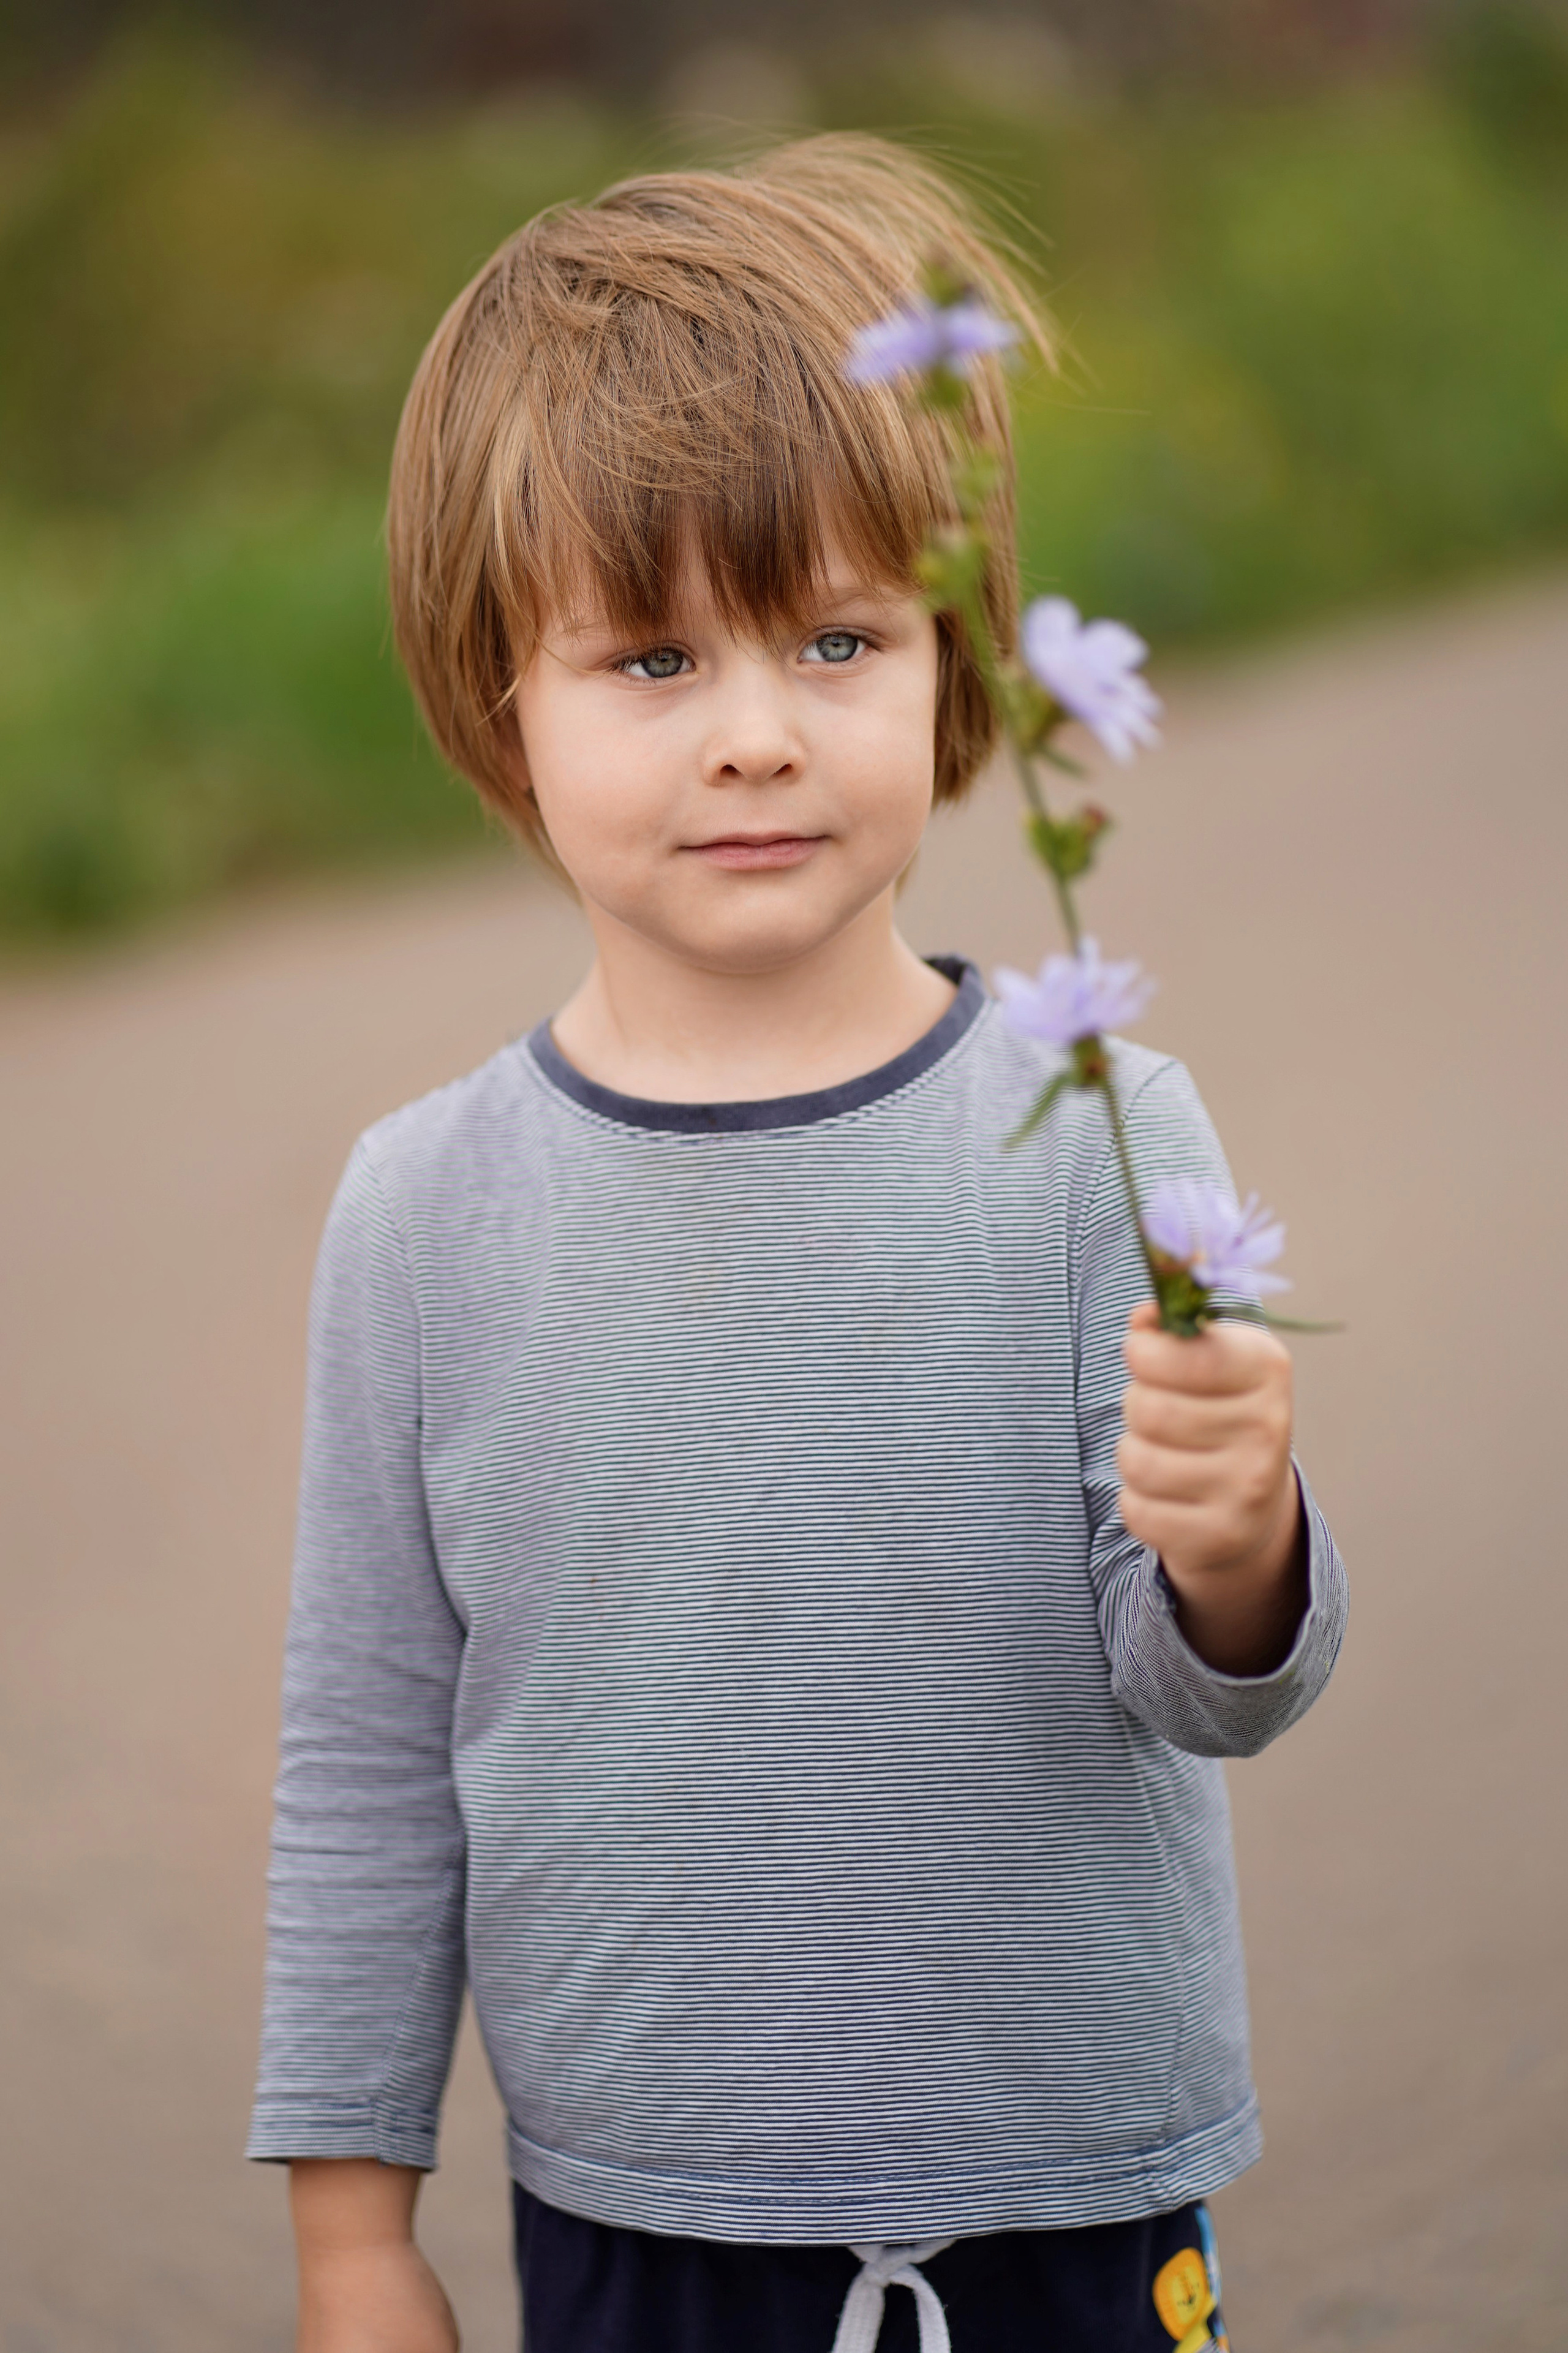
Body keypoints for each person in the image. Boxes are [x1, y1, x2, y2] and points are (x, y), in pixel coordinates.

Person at [247, 135, 1348, 2353]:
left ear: (954, 664)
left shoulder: (1092, 1123)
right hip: (637, 2220)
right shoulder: (425, 1213)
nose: (756, 732)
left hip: (1068, 2203)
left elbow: (1205, 1682)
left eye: (837, 636)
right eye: (651, 658)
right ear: (500, 698)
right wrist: (354, 2237)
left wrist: (1247, 1542)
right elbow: (369, 1755)